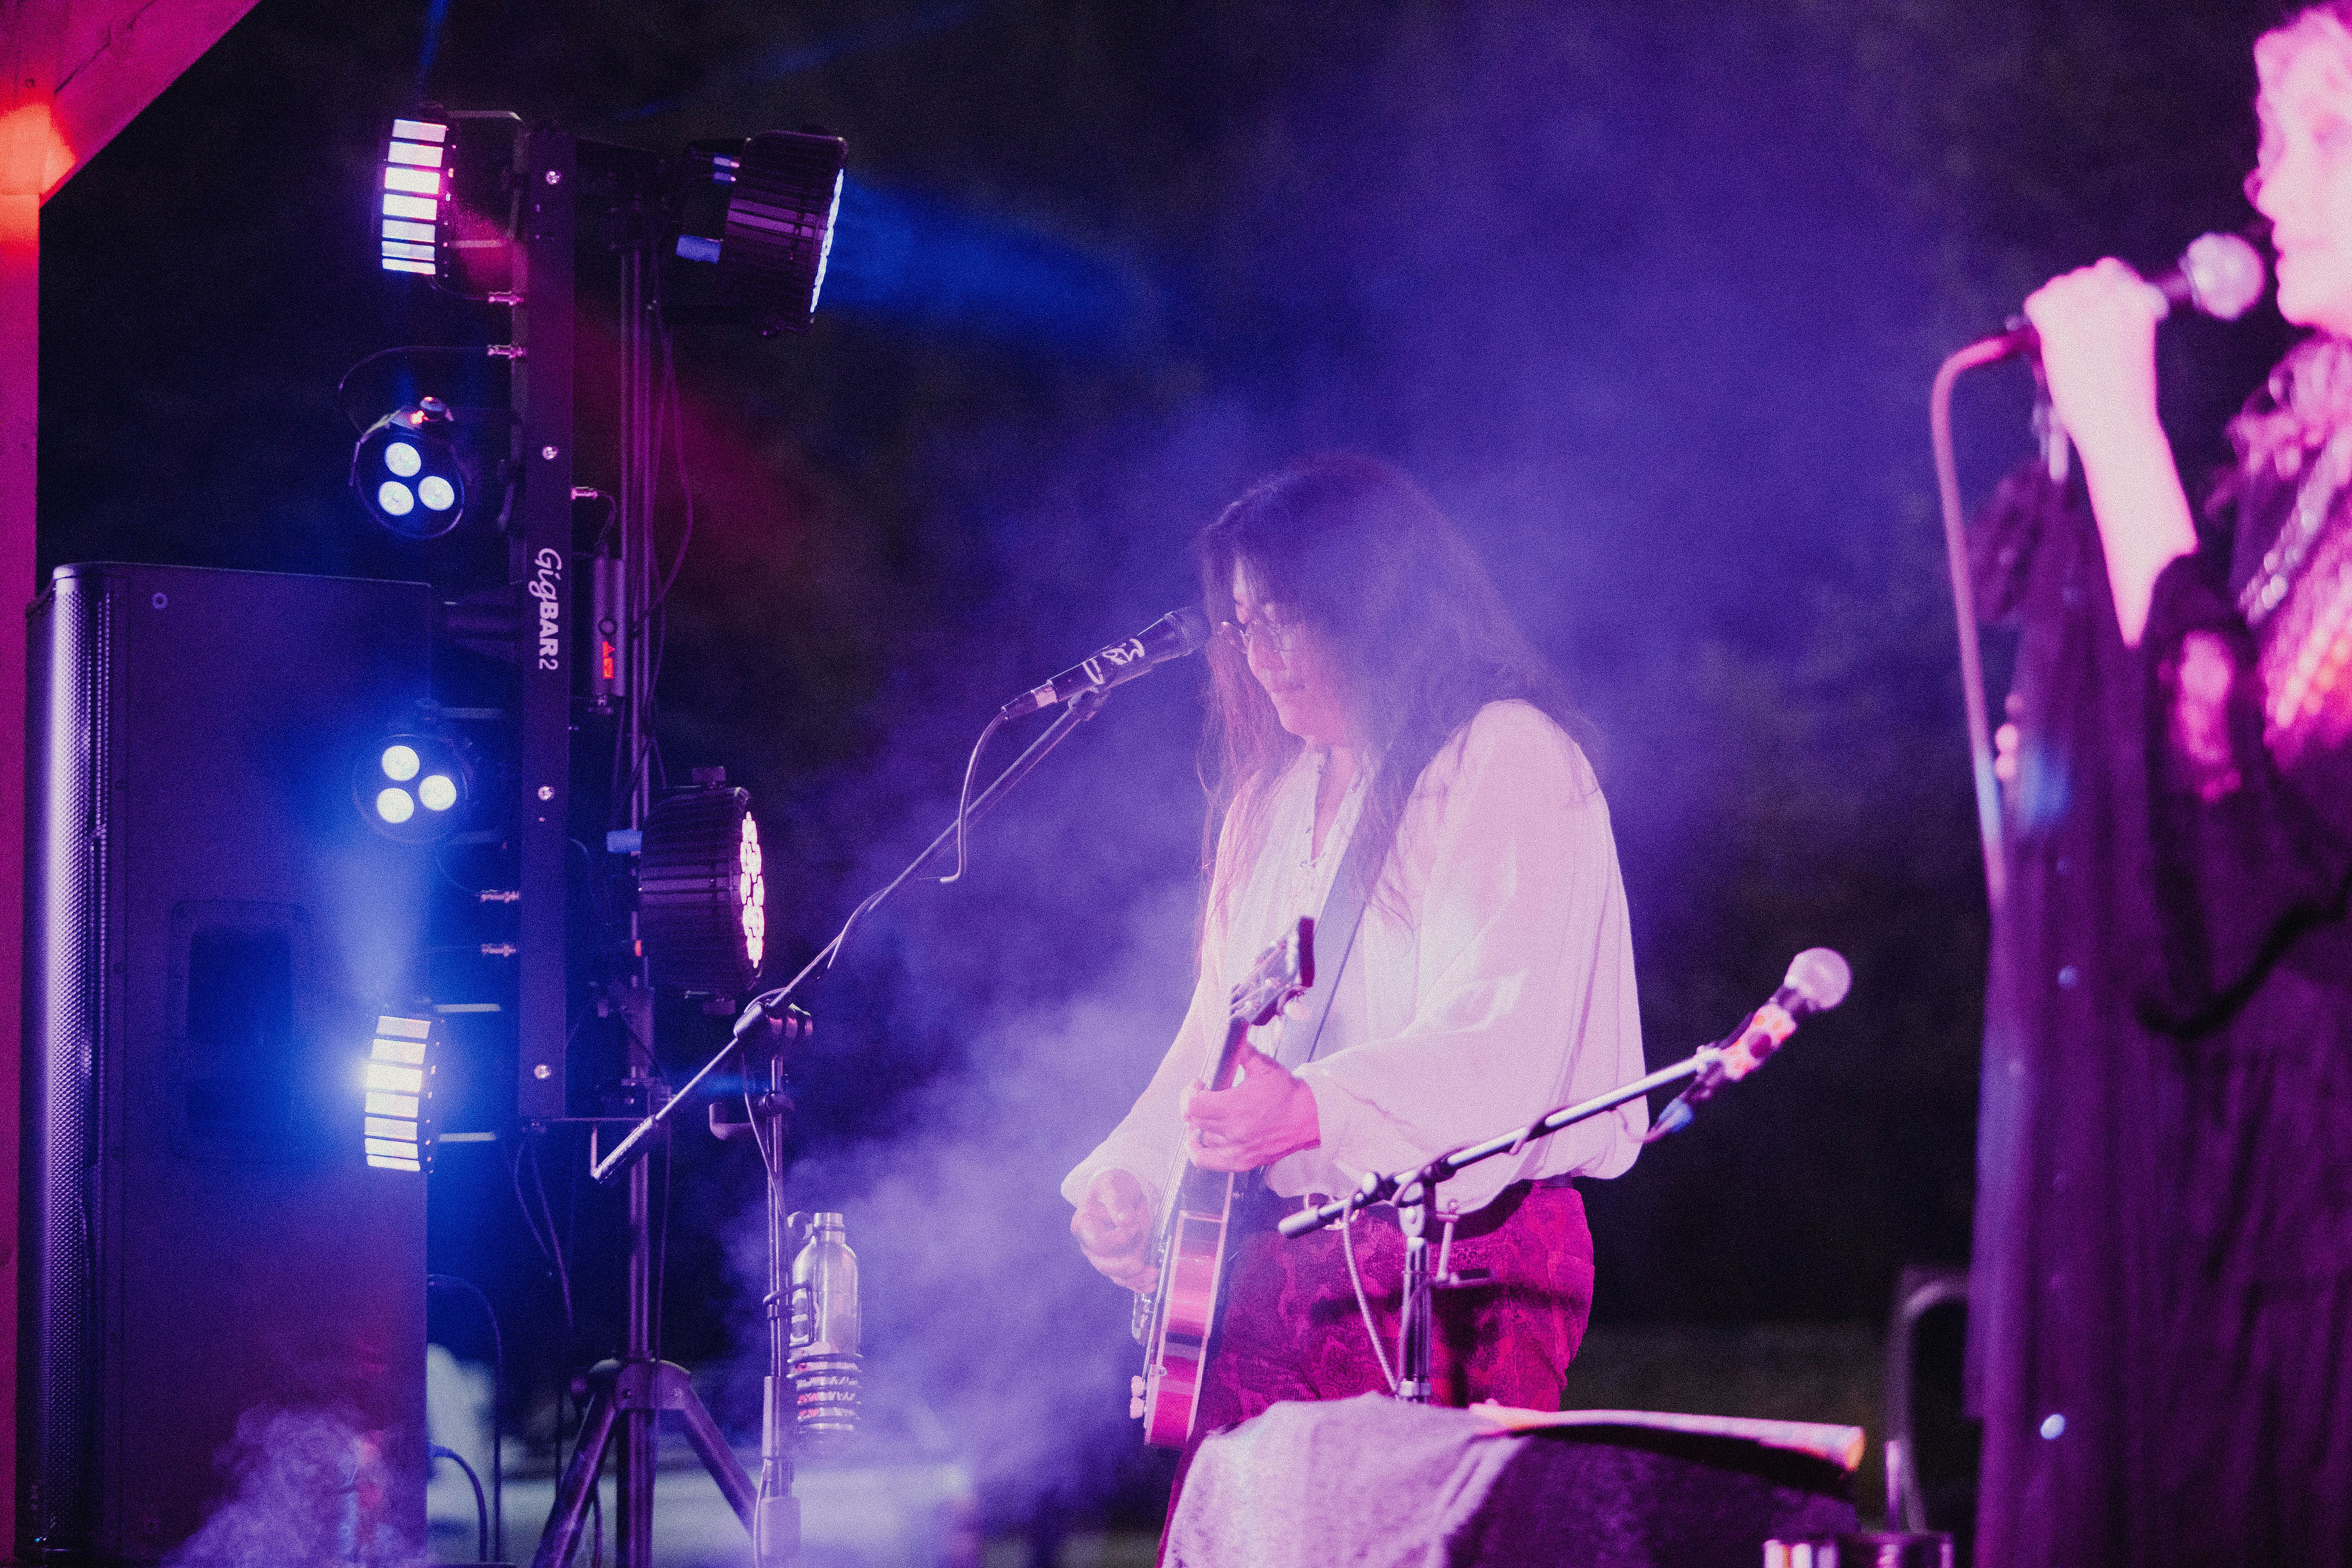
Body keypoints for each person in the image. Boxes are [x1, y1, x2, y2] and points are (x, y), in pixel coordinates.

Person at [1059, 453, 1647, 1487]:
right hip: (1275, 1278)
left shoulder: (1504, 756)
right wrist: (1136, 1176)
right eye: (1243, 624)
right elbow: (1212, 1046)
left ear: (1377, 607)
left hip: (1459, 1264)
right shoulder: (1269, 804)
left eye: (1286, 617)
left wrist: (1315, 1111)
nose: (1258, 655)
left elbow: (1504, 1035)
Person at [2016, 7, 2352, 1561]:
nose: (2265, 187)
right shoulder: (2299, 454)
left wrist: (2127, 440)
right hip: (2254, 1158)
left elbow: (2255, 815)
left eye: (2320, 139)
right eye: (2269, 141)